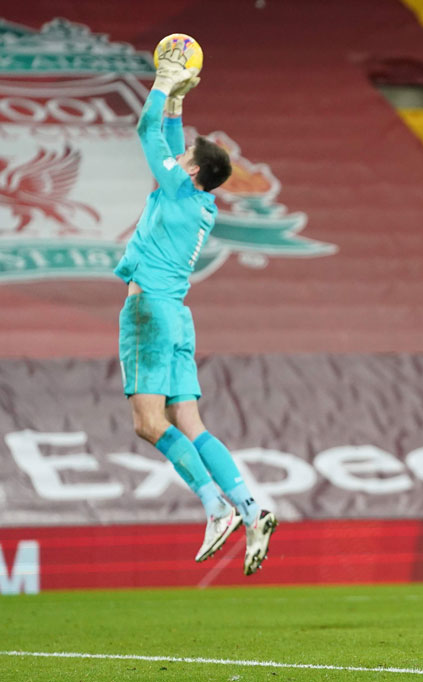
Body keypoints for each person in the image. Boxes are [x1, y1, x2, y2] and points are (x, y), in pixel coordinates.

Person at [114, 42, 276, 576]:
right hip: (179, 315)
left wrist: (163, 80)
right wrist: (180, 99)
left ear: (194, 172)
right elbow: (168, 139)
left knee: (148, 422)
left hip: (149, 313)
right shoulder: (198, 199)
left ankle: (213, 506)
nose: (176, 156)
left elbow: (145, 132)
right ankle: (250, 508)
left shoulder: (181, 190)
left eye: (185, 158)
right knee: (190, 420)